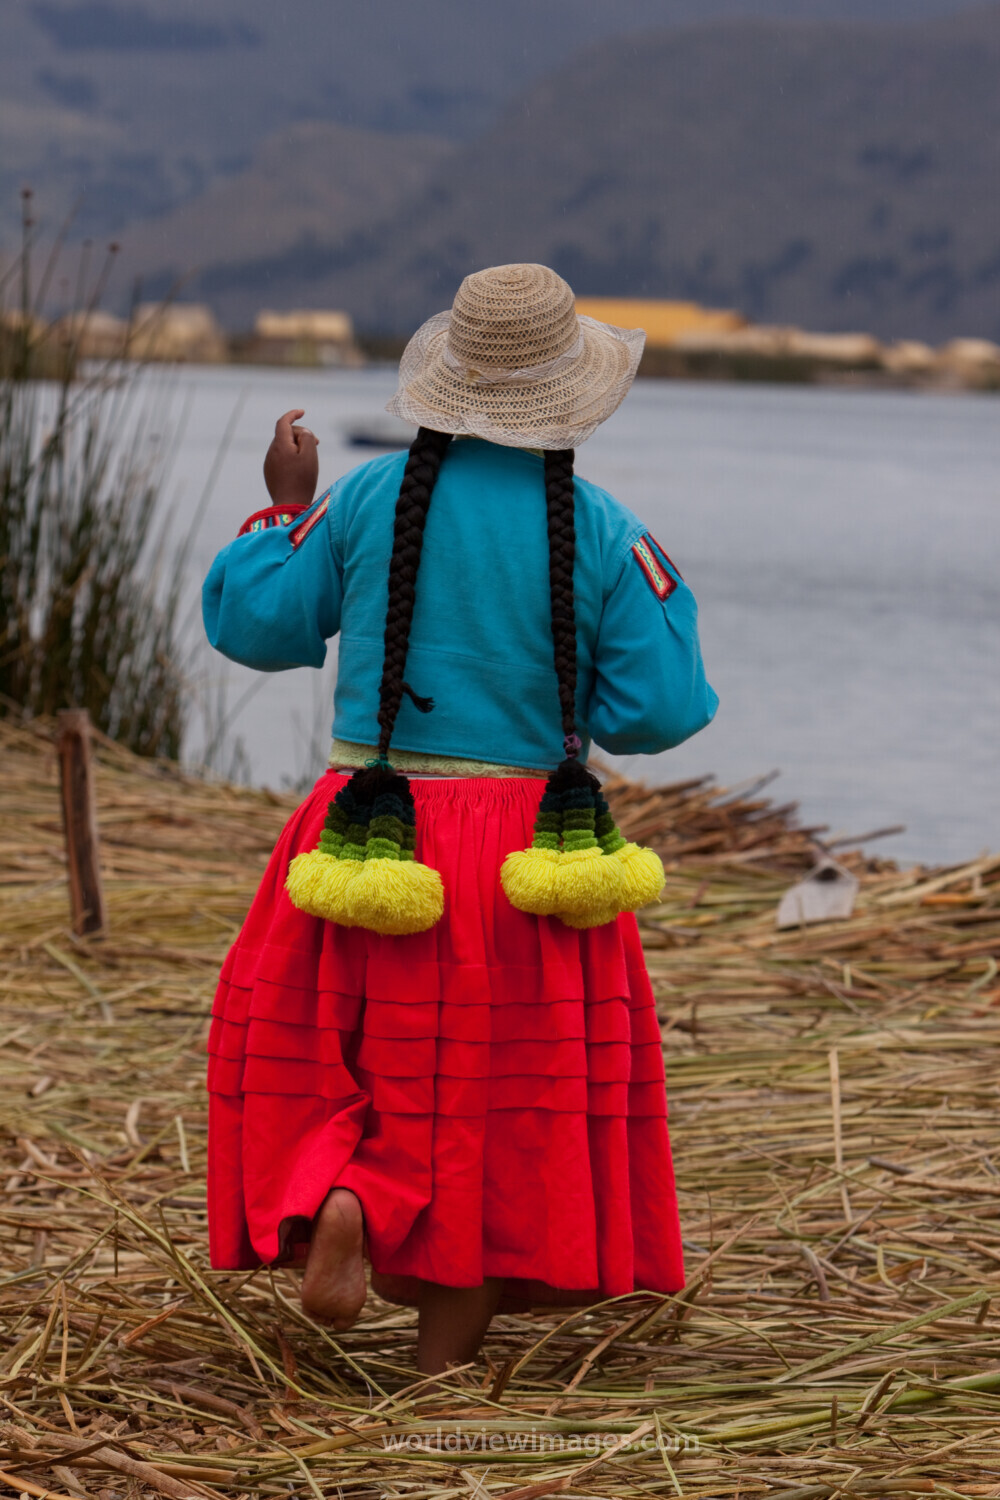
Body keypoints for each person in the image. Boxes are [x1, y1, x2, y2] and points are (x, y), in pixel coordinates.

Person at [202, 262, 718, 1376]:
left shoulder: (367, 500)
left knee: (336, 1057)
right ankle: (439, 1376)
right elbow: (661, 713)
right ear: (570, 396)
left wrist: (285, 508)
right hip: (528, 857)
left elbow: (258, 627)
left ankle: (345, 1194)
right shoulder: (601, 526)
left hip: (361, 837)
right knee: (491, 1101)